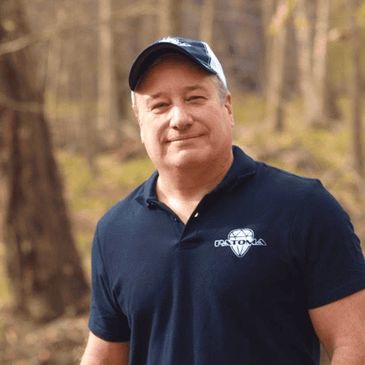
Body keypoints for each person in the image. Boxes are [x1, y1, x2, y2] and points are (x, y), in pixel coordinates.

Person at [80, 37, 365, 365]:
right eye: (159, 105)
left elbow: (354, 343)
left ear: (227, 107)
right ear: (140, 123)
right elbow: (104, 356)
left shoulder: (303, 208)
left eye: (194, 98)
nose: (180, 118)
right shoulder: (115, 231)